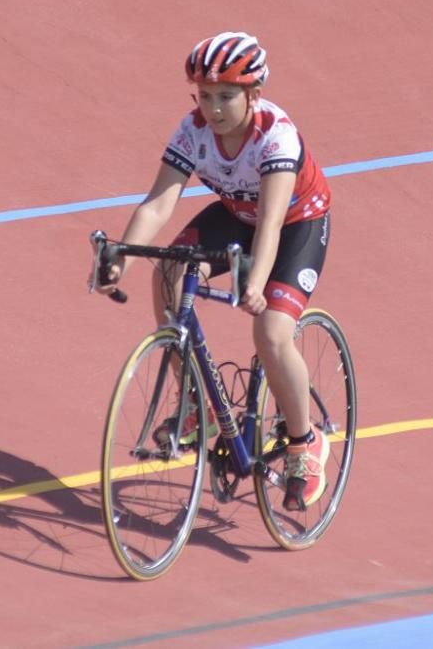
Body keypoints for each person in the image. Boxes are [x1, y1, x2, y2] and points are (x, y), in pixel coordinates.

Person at [98, 31, 332, 512]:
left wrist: (253, 286)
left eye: (226, 97)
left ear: (253, 95)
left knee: (270, 333)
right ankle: (194, 406)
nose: (214, 108)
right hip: (237, 213)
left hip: (293, 224)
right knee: (166, 273)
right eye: (204, 96)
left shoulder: (276, 135)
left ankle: (304, 444)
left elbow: (270, 224)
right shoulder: (191, 130)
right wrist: (122, 253)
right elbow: (158, 202)